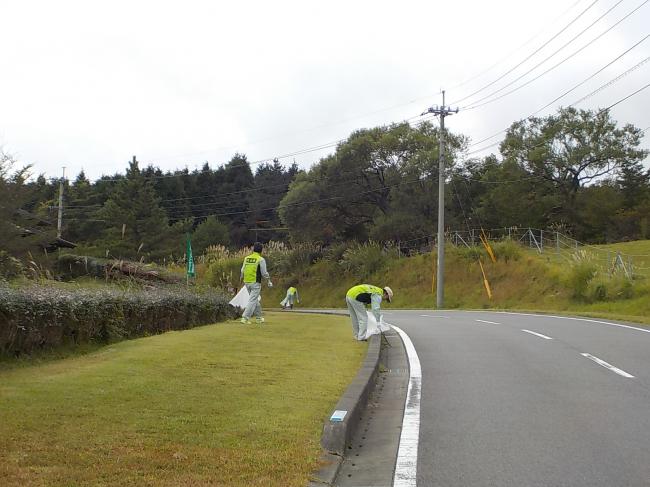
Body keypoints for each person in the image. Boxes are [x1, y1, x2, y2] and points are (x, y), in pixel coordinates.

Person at [240, 242, 272, 324]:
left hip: (247, 282)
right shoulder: (260, 259)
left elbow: (242, 270)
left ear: (253, 249)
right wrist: (268, 281)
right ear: (261, 250)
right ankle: (245, 318)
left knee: (255, 300)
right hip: (255, 283)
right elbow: (264, 273)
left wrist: (241, 278)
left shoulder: (247, 258)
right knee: (252, 300)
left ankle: (259, 318)